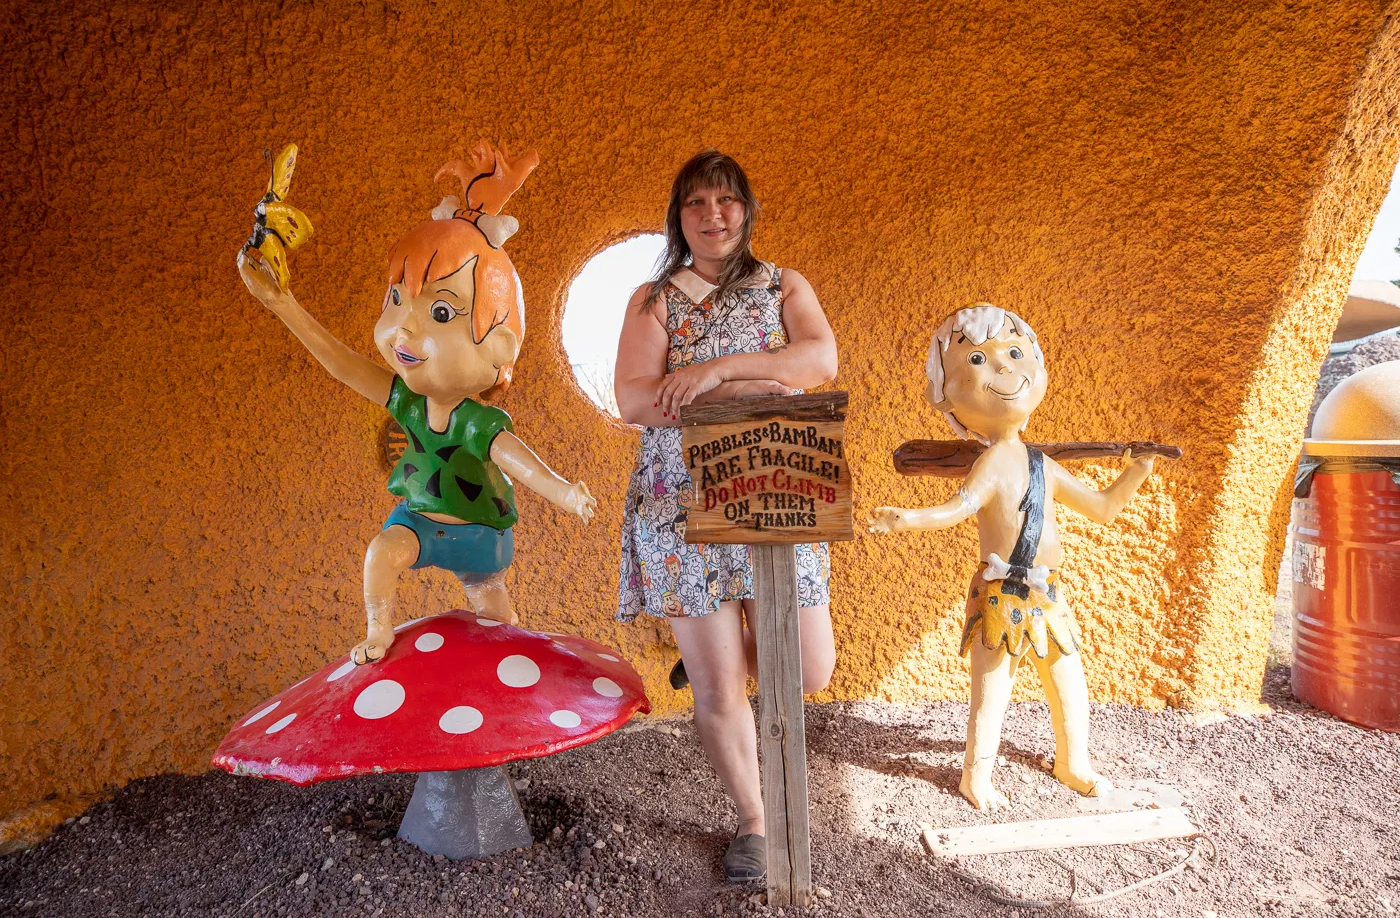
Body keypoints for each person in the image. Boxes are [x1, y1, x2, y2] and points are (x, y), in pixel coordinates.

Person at [236, 142, 595, 665]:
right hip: (419, 521)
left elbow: (513, 457)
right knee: (381, 554)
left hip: (479, 536)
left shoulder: (476, 420)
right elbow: (339, 361)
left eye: (442, 313)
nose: (404, 326)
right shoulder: (405, 399)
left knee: (494, 618)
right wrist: (282, 303)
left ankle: (503, 661)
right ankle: (378, 629)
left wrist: (564, 493)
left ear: (499, 351)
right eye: (397, 300)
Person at [613, 149, 839, 881]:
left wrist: (712, 371)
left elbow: (819, 361)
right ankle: (754, 820)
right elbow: (636, 400)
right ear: (679, 217)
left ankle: (710, 653)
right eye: (697, 203)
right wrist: (755, 378)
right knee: (716, 688)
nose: (714, 215)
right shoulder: (655, 300)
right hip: (680, 505)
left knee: (807, 665)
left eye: (727, 200)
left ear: (747, 209)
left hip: (775, 488)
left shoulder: (784, 285)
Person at [866, 304, 1159, 810]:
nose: (1003, 368)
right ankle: (975, 775)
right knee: (993, 687)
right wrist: (909, 518)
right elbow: (957, 509)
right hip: (1001, 594)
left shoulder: (1042, 464)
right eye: (977, 360)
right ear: (949, 396)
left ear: (1038, 370)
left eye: (1015, 353)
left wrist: (1135, 473)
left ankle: (1073, 761)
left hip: (1048, 594)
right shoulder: (992, 463)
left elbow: (1104, 508)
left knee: (1068, 679)